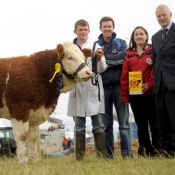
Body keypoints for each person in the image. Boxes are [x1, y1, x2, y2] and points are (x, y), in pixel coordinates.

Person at [67, 19, 107, 160]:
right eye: (80, 30)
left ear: (89, 31)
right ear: (75, 31)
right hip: (77, 87)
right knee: (79, 126)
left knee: (98, 125)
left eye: (85, 30)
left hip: (92, 87)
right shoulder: (70, 49)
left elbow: (102, 69)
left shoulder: (96, 46)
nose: (83, 32)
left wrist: (100, 58)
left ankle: (101, 157)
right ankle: (79, 158)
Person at [120, 26, 161, 157]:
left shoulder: (152, 51)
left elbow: (157, 71)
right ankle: (144, 151)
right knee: (141, 125)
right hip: (136, 97)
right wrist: (125, 96)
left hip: (151, 95)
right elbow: (124, 76)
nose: (139, 36)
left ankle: (157, 151)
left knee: (155, 124)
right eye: (136, 34)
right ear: (133, 38)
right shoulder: (129, 55)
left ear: (146, 36)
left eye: (141, 34)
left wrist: (149, 85)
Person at [97, 16, 132, 158]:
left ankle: (127, 154)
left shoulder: (121, 42)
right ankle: (109, 155)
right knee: (106, 126)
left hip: (119, 87)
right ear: (100, 28)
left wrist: (105, 59)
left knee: (124, 124)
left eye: (109, 26)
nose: (107, 29)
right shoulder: (96, 45)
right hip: (103, 89)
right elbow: (95, 64)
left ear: (113, 27)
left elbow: (124, 59)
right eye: (104, 26)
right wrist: (113, 59)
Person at [152, 4, 175, 157]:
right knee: (163, 121)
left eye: (163, 15)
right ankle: (166, 152)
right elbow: (155, 61)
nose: (161, 18)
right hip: (159, 85)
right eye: (158, 16)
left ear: (170, 14)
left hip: (173, 83)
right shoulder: (154, 37)